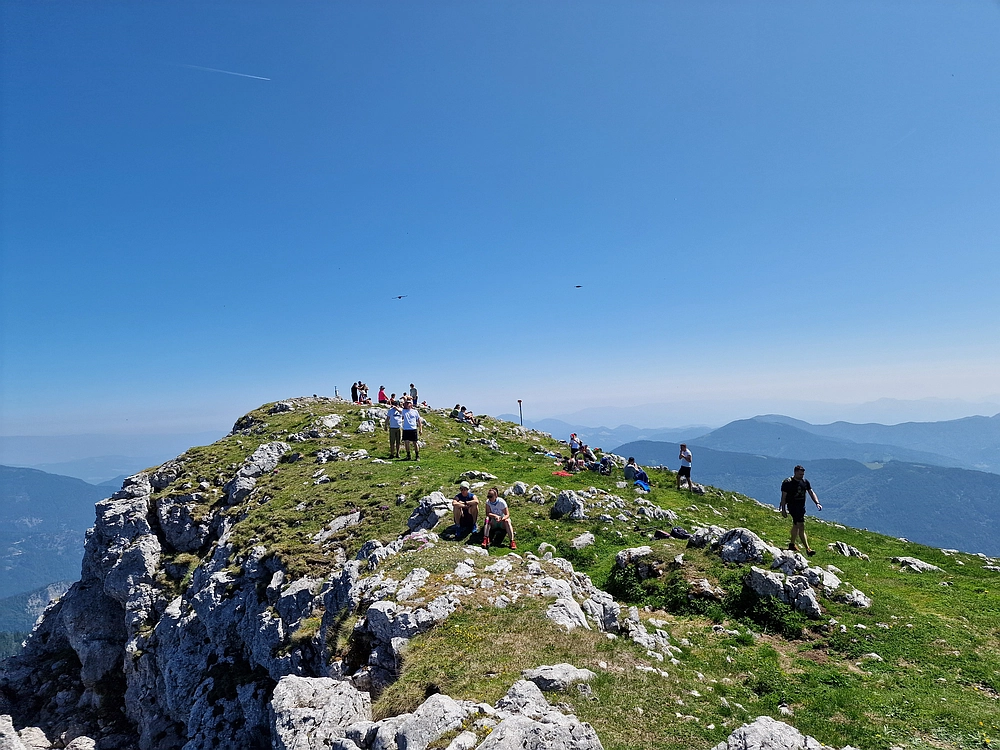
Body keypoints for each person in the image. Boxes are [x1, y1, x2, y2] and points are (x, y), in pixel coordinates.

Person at [780, 465, 823, 555]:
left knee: (796, 526)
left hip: (801, 507)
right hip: (792, 506)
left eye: (802, 474)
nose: (801, 476)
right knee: (801, 525)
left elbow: (811, 492)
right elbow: (783, 497)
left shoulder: (804, 482)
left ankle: (792, 544)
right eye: (800, 474)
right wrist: (783, 509)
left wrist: (817, 503)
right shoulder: (787, 482)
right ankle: (808, 549)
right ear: (795, 472)